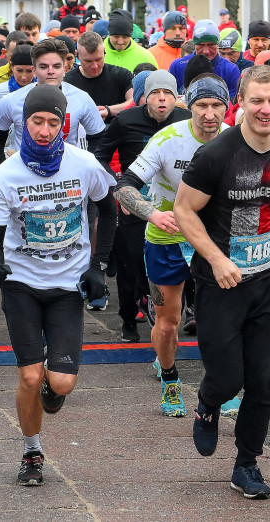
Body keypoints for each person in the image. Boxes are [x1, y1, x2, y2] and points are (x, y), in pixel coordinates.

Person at [174, 65, 270, 500]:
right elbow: (183, 211)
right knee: (227, 377)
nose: (266, 109)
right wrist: (216, 259)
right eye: (257, 101)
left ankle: (246, 464)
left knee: (265, 381)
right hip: (221, 284)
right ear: (242, 102)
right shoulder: (216, 155)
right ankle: (208, 402)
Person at [0, 84, 116, 486]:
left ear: (64, 124)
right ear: (24, 124)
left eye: (52, 122)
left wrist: (99, 266)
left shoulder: (84, 163)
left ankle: (50, 390)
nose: (43, 130)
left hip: (67, 284)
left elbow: (108, 212)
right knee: (28, 375)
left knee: (60, 382)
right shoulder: (5, 174)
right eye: (36, 122)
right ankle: (31, 452)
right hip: (22, 282)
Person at [115, 73, 228, 415]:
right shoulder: (168, 139)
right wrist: (153, 214)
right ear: (188, 105)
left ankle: (220, 384)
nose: (210, 114)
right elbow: (124, 185)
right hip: (167, 239)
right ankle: (169, 377)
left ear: (227, 107)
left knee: (221, 318)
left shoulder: (234, 140)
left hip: (212, 241)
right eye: (202, 105)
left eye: (217, 105)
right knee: (168, 321)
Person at [95, 70, 191, 342]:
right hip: (134, 203)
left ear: (176, 98)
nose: (162, 100)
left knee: (183, 261)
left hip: (175, 206)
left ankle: (181, 310)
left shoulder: (187, 121)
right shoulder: (125, 121)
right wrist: (118, 186)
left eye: (167, 94)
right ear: (144, 98)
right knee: (132, 262)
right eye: (155, 94)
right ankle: (128, 318)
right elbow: (101, 155)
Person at [0, 39, 106, 163]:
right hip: (24, 172)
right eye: (44, 66)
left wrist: (87, 167)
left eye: (56, 66)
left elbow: (98, 140)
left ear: (65, 69)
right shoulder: (11, 100)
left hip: (68, 171)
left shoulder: (82, 98)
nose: (50, 71)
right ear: (34, 70)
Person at [65, 31, 134, 122]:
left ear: (104, 51)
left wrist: (108, 110)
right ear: (77, 55)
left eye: (98, 59)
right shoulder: (67, 82)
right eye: (88, 61)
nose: (95, 66)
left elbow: (134, 101)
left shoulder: (121, 75)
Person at [167, 21, 241, 97]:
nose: (206, 51)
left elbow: (233, 105)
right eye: (200, 45)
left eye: (211, 45)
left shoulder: (230, 70)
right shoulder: (177, 66)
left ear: (217, 44)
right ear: (194, 44)